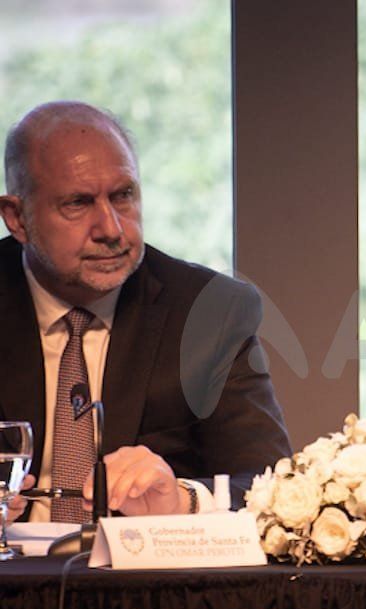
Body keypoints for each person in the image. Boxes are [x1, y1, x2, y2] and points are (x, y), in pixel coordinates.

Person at [0, 101, 291, 523]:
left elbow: (271, 484)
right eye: (78, 204)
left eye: (123, 196)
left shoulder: (208, 312)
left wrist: (181, 499)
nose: (111, 229)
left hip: (146, 582)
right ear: (18, 218)